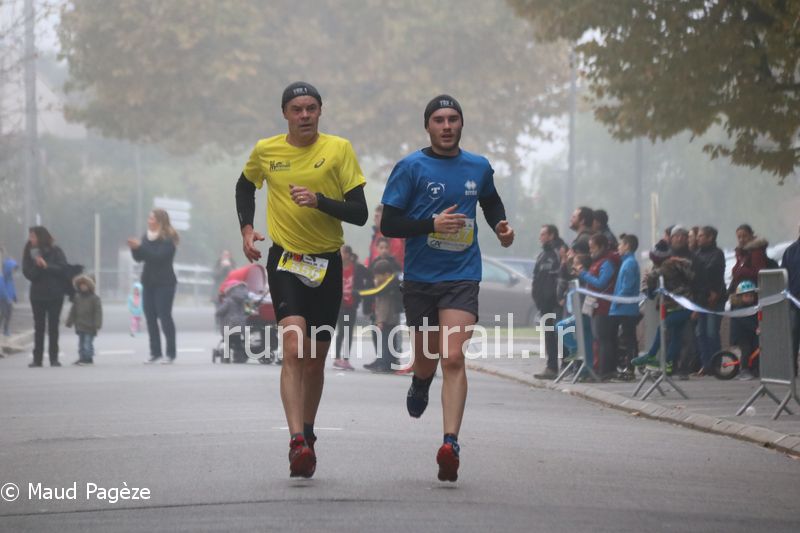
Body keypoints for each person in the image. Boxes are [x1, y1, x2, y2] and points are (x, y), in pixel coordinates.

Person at [235, 81, 368, 478]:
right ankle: (296, 441)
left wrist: (319, 201)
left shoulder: (339, 149)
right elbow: (244, 185)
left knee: (315, 362)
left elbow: (360, 213)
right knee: (293, 348)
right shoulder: (266, 150)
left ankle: (308, 432)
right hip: (286, 261)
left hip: (327, 264)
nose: (305, 115)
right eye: (297, 109)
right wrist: (247, 229)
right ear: (285, 114)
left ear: (320, 111)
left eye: (311, 108)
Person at [380, 94, 514, 482]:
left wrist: (501, 226)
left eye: (453, 119)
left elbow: (491, 202)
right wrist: (431, 225)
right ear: (427, 126)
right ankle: (421, 381)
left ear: (461, 124)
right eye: (439, 119)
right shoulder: (410, 167)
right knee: (427, 358)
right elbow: (389, 224)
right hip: (421, 278)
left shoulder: (478, 166)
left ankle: (450, 444)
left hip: (462, 274)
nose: (447, 126)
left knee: (453, 357)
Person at [128, 209, 179, 365]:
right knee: (150, 318)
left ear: (160, 221)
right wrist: (134, 249)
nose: (149, 220)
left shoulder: (168, 239)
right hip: (148, 282)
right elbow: (140, 258)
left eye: (151, 218)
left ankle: (170, 353)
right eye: (149, 217)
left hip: (165, 283)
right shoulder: (146, 236)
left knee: (164, 317)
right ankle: (155, 353)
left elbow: (158, 257)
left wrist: (140, 247)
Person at [22, 226, 69, 367]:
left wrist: (46, 265)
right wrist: (37, 266)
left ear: (41, 237)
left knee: (53, 327)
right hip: (37, 295)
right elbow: (28, 274)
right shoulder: (29, 252)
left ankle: (54, 358)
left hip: (55, 294)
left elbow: (63, 268)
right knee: (39, 327)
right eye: (30, 236)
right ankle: (37, 359)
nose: (30, 239)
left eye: (33, 236)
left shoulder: (56, 251)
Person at [575, 233, 620, 380]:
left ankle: (605, 370)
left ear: (601, 247)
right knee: (598, 338)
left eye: (593, 248)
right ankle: (599, 368)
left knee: (603, 338)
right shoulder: (598, 261)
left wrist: (584, 274)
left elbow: (601, 283)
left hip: (604, 306)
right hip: (595, 305)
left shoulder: (607, 263)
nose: (590, 251)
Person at [532, 224, 566, 379]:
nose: (540, 237)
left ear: (552, 235)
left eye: (543, 234)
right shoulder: (542, 254)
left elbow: (563, 276)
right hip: (543, 303)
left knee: (561, 332)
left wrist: (558, 296)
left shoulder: (560, 251)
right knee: (549, 335)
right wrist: (537, 297)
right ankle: (551, 367)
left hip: (556, 302)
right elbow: (537, 276)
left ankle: (566, 365)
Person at [693, 226, 726, 375]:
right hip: (701, 299)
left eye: (701, 236)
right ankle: (705, 363)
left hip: (714, 299)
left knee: (712, 332)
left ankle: (715, 363)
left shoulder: (717, 254)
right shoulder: (697, 254)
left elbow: (714, 273)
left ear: (710, 237)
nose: (698, 238)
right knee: (700, 332)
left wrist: (715, 293)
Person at [608, 234, 641, 379]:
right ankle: (626, 367)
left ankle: (630, 368)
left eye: (621, 244)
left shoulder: (629, 263)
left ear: (627, 246)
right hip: (622, 308)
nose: (618, 247)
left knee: (629, 340)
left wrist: (615, 301)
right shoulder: (626, 262)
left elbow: (627, 287)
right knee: (627, 339)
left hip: (626, 308)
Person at [333, 245, 370, 370]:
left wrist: (361, 292)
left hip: (351, 305)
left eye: (343, 253)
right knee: (341, 331)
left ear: (348, 254)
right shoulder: (336, 267)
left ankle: (346, 359)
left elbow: (369, 276)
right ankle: (337, 358)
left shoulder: (357, 268)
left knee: (348, 332)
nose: (341, 255)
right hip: (340, 305)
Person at [363, 259, 402, 373]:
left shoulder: (386, 287)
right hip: (390, 318)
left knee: (386, 342)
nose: (376, 278)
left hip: (387, 319)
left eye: (377, 276)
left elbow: (384, 305)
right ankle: (388, 363)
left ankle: (386, 364)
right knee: (389, 341)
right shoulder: (390, 284)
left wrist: (381, 321)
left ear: (386, 275)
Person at [65, 274, 103, 366]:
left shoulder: (94, 298)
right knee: (81, 343)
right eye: (81, 285)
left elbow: (98, 312)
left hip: (90, 326)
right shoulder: (77, 298)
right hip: (80, 325)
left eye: (85, 285)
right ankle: (82, 357)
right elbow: (73, 311)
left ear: (89, 286)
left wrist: (97, 324)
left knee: (87, 343)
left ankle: (88, 358)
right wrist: (69, 321)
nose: (83, 287)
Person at [729, 280, 760, 380]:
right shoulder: (738, 309)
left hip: (751, 334)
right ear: (740, 297)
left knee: (756, 348)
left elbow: (756, 318)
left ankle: (754, 368)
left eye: (751, 296)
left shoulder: (754, 307)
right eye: (746, 296)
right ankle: (744, 370)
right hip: (740, 335)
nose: (749, 298)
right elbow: (745, 321)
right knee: (746, 349)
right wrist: (756, 328)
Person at [780, 223, 800, 376]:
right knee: (793, 334)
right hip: (794, 299)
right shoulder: (791, 251)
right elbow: (783, 275)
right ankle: (791, 368)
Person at [728, 224, 768, 294]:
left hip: (752, 291)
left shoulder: (756, 251)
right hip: (741, 289)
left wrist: (741, 271)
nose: (741, 239)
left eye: (744, 236)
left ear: (751, 235)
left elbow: (759, 272)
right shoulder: (741, 252)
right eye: (739, 237)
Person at [0, 246, 18, 337]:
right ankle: (4, 328)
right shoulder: (2, 277)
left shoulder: (10, 279)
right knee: (3, 313)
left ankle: (6, 329)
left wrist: (14, 296)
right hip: (4, 299)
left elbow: (12, 288)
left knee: (9, 314)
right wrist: (7, 297)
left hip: (9, 299)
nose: (13, 271)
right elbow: (2, 289)